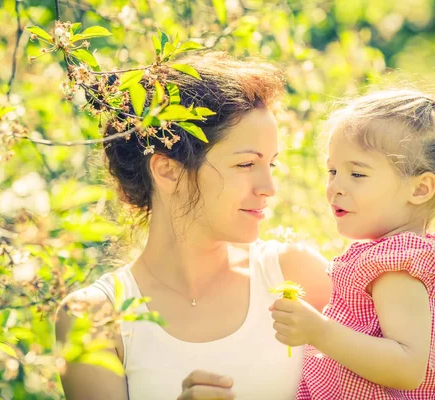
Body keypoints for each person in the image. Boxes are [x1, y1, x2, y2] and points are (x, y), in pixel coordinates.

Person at [55, 51, 332, 400]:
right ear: (168, 171)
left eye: (271, 165)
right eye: (246, 164)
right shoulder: (93, 318)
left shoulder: (294, 277)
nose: (269, 188)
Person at [270, 89, 435, 399]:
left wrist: (318, 331)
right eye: (332, 171)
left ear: (420, 189)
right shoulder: (382, 254)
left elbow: (406, 368)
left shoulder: (397, 264)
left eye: (357, 173)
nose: (335, 187)